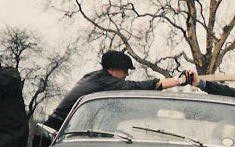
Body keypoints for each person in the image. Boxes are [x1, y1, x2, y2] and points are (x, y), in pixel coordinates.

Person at [43, 50, 183, 132]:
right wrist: (179, 81)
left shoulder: (93, 77)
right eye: (125, 70)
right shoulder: (104, 81)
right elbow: (136, 87)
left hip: (59, 126)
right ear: (113, 68)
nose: (126, 74)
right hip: (56, 130)